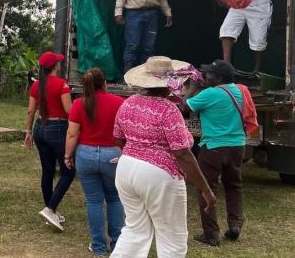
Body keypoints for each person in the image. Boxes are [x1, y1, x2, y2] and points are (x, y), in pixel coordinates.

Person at [111, 56, 216, 258]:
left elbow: (118, 138)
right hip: (158, 174)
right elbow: (182, 153)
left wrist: (137, 154)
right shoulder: (168, 110)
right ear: (170, 82)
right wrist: (206, 189)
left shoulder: (128, 103)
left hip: (126, 169)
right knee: (171, 237)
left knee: (134, 230)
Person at [186, 60, 250, 246]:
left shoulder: (210, 93)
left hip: (214, 147)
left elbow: (185, 106)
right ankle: (235, 224)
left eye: (210, 74)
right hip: (237, 145)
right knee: (234, 185)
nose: (206, 76)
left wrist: (192, 88)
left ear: (220, 78)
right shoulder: (239, 91)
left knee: (206, 188)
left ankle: (211, 234)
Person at [64, 68, 125, 256]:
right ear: (105, 83)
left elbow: (72, 133)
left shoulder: (79, 104)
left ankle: (98, 246)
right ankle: (117, 244)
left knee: (93, 201)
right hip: (112, 155)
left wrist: (67, 156)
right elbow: (124, 133)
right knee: (114, 199)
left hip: (85, 155)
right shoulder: (119, 102)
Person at [24, 51, 75, 231]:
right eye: (58, 63)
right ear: (55, 66)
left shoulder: (36, 85)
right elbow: (69, 111)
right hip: (58, 129)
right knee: (68, 172)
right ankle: (50, 208)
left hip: (39, 128)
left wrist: (28, 131)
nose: (59, 65)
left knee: (47, 171)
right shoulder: (62, 85)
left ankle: (50, 209)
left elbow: (31, 111)